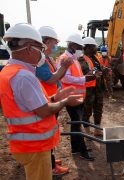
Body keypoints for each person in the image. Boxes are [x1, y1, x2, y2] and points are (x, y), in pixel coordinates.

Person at [0, 23, 82, 180]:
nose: (42, 54)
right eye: (41, 49)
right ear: (30, 48)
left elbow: (28, 105)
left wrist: (56, 98)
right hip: (35, 145)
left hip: (25, 143)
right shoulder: (24, 76)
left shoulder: (9, 71)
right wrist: (65, 101)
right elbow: (43, 110)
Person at [36, 26, 72, 175]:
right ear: (44, 42)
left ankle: (50, 159)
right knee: (46, 134)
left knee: (50, 132)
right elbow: (50, 79)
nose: (55, 45)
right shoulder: (39, 60)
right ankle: (50, 165)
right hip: (47, 102)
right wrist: (63, 67)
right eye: (53, 42)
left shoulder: (45, 58)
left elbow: (56, 76)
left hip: (51, 99)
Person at [56, 33, 96, 161]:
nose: (81, 49)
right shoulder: (64, 59)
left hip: (77, 96)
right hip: (71, 97)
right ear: (73, 45)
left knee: (75, 123)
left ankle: (76, 148)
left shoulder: (73, 59)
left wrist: (86, 76)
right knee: (77, 123)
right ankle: (82, 150)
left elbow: (75, 75)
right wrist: (84, 79)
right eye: (79, 46)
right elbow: (65, 77)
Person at [78, 37, 105, 136]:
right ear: (88, 47)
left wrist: (103, 70)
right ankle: (87, 132)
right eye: (94, 46)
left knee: (98, 109)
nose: (95, 48)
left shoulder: (95, 57)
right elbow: (86, 71)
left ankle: (97, 130)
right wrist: (96, 72)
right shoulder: (81, 58)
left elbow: (98, 69)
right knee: (87, 110)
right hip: (88, 89)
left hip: (98, 88)